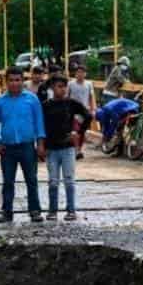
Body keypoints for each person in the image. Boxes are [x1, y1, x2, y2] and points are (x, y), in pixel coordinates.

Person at [0, 67, 46, 224]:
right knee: (8, 181)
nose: (15, 83)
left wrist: (40, 144)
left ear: (23, 81)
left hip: (27, 146)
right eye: (11, 80)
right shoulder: (0, 101)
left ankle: (34, 210)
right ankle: (7, 212)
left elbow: (39, 123)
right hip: (7, 148)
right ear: (6, 82)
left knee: (31, 179)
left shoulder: (32, 99)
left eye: (18, 80)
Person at [40, 75, 89, 220]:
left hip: (67, 147)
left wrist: (77, 131)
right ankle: (52, 210)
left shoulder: (71, 103)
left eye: (64, 86)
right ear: (52, 88)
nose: (62, 89)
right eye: (59, 86)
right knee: (53, 180)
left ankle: (71, 210)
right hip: (52, 148)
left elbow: (87, 115)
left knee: (69, 179)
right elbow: (41, 126)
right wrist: (41, 144)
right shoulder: (45, 106)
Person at [67, 64, 95, 160]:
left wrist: (93, 109)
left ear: (85, 74)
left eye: (82, 72)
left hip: (85, 110)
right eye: (78, 72)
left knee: (82, 131)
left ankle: (79, 149)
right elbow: (67, 96)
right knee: (74, 129)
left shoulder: (89, 84)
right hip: (73, 110)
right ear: (75, 73)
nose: (80, 74)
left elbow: (91, 97)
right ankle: (76, 150)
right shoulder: (71, 84)